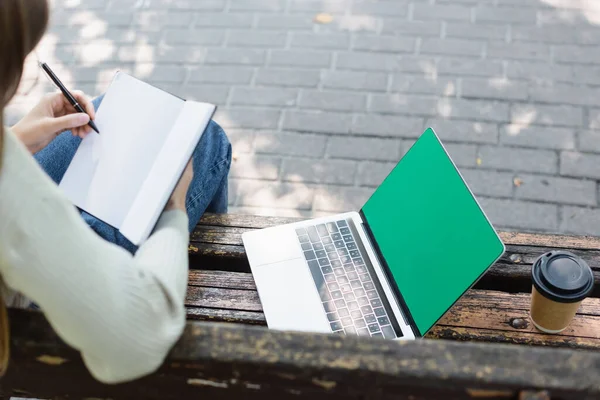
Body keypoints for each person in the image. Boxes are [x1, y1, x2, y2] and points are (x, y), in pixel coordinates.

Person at [0, 0, 231, 383]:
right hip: (25, 317)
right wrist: (173, 213)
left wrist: (18, 138)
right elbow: (137, 338)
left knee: (105, 110)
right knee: (206, 140)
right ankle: (204, 280)